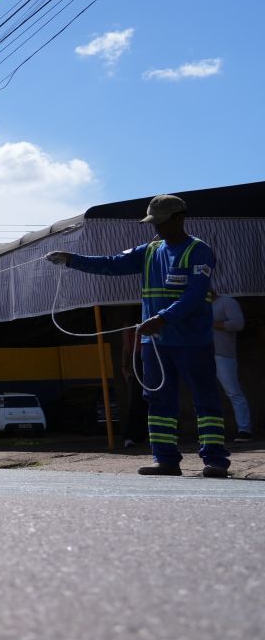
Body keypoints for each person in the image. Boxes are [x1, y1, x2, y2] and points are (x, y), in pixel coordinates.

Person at [47, 194, 228, 477]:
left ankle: (215, 460)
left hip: (192, 341)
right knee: (158, 401)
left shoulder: (198, 251)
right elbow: (112, 263)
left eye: (162, 222)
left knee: (205, 398)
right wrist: (71, 260)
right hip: (155, 344)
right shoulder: (150, 250)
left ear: (180, 218)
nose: (157, 228)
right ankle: (165, 459)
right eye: (153, 223)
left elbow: (195, 294)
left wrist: (163, 318)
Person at [212, 290, 251, 442]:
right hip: (203, 354)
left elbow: (237, 323)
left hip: (223, 354)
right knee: (206, 394)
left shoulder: (227, 302)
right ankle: (212, 432)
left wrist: (210, 323)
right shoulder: (198, 305)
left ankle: (244, 430)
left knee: (233, 392)